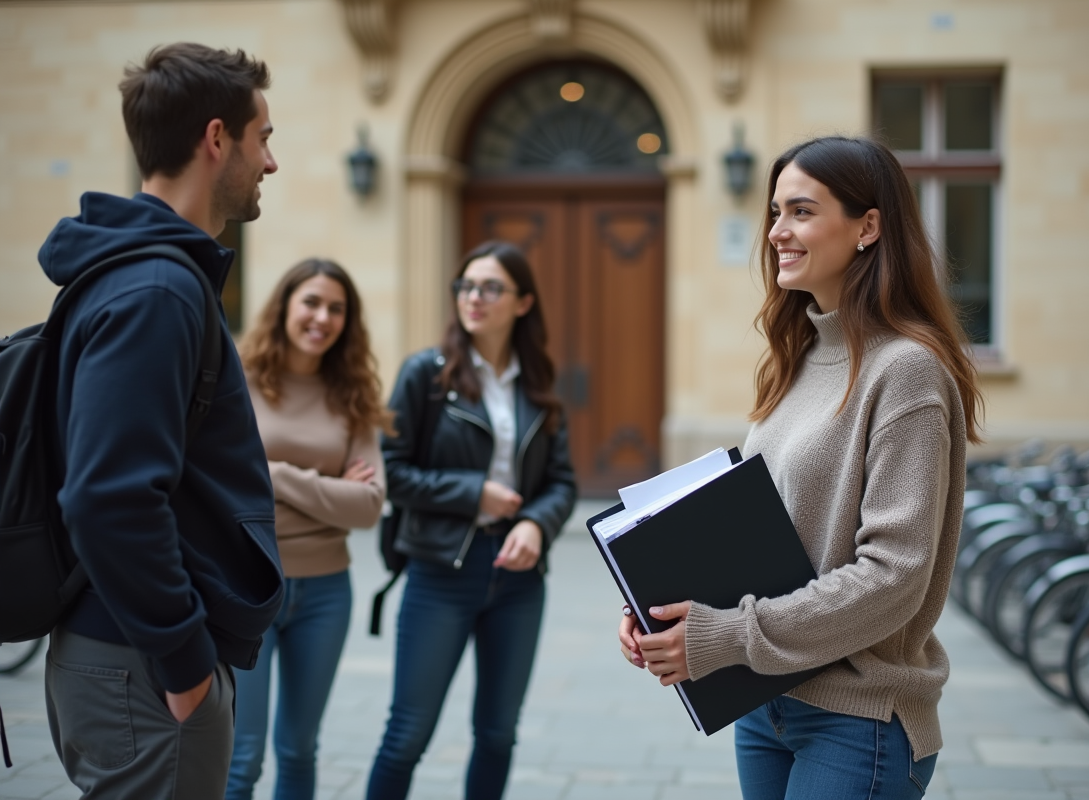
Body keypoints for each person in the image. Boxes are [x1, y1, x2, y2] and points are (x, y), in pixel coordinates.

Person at [619, 136, 984, 800]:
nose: (777, 232)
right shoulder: (798, 356)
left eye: (801, 212)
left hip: (857, 717)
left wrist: (728, 634)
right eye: (774, 211)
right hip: (763, 705)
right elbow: (760, 532)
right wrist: (657, 609)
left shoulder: (906, 371)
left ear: (868, 226)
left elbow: (894, 575)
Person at [39, 43, 283, 799]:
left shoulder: (139, 272)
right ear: (217, 140)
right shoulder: (157, 289)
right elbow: (108, 496)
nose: (271, 163)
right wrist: (185, 670)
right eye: (263, 138)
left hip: (127, 658)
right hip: (143, 667)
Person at [366, 241, 577, 800]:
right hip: (440, 572)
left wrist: (535, 523)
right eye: (465, 286)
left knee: (497, 735)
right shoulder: (425, 374)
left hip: (518, 578)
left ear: (523, 302)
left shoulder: (537, 381)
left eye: (490, 288)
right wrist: (472, 493)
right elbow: (395, 472)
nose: (473, 298)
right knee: (407, 734)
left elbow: (561, 481)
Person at [225, 259, 389, 800]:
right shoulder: (238, 379)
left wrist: (271, 473)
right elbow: (221, 482)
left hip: (325, 594)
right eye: (311, 303)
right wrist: (326, 487)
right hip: (247, 584)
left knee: (298, 749)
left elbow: (367, 507)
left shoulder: (354, 395)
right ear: (285, 307)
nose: (322, 317)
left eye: (336, 308)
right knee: (239, 756)